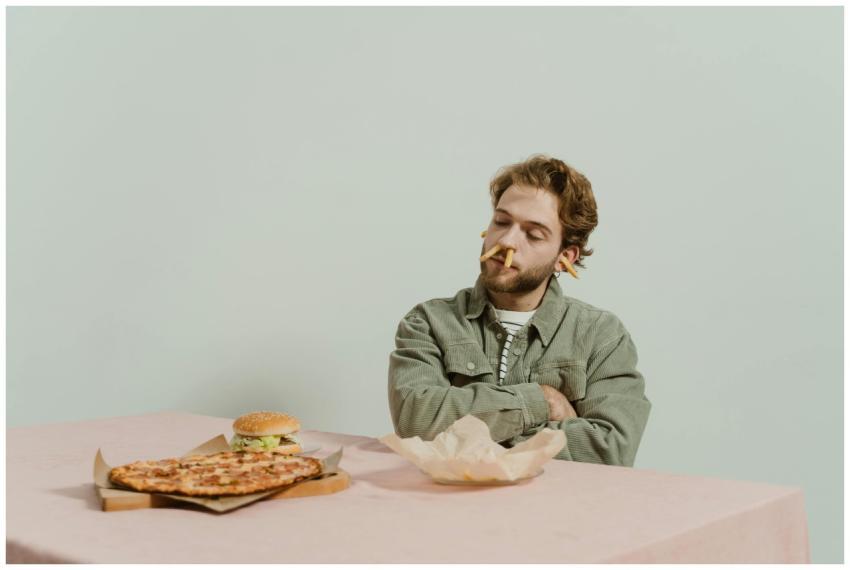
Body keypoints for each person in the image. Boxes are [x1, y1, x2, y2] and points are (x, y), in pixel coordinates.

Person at [387, 154, 651, 466]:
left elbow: (610, 450)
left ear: (564, 257)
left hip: (556, 511)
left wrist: (467, 433)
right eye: (501, 222)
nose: (508, 241)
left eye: (533, 233)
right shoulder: (429, 322)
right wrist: (542, 400)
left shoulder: (602, 336)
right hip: (451, 507)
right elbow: (415, 422)